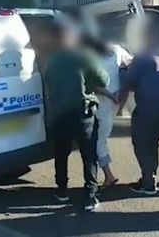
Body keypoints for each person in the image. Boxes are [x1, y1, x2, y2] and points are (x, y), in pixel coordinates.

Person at [44, 18, 109, 211]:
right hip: (83, 111)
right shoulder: (84, 56)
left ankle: (61, 190)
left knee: (61, 153)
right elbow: (103, 79)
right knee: (88, 155)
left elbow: (49, 80)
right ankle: (90, 195)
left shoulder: (53, 58)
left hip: (60, 112)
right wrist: (86, 83)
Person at [120, 21, 159, 195]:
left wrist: (123, 68)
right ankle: (151, 175)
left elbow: (128, 82)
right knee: (153, 142)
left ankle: (148, 182)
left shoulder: (143, 56)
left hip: (146, 107)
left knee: (141, 144)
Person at [93, 43, 133, 188]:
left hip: (104, 100)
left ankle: (108, 176)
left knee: (98, 141)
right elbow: (130, 63)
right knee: (100, 138)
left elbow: (93, 83)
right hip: (113, 98)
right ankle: (104, 175)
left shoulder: (89, 53)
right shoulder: (116, 48)